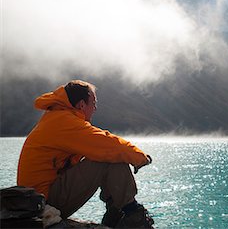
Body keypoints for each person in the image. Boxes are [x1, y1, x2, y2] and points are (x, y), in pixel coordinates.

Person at [17, 80, 154, 228]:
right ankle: (132, 215)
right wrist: (139, 157)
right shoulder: (65, 122)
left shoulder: (57, 118)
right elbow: (107, 144)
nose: (95, 108)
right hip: (43, 204)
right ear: (82, 104)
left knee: (108, 154)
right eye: (93, 103)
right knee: (109, 157)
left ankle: (117, 213)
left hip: (35, 200)